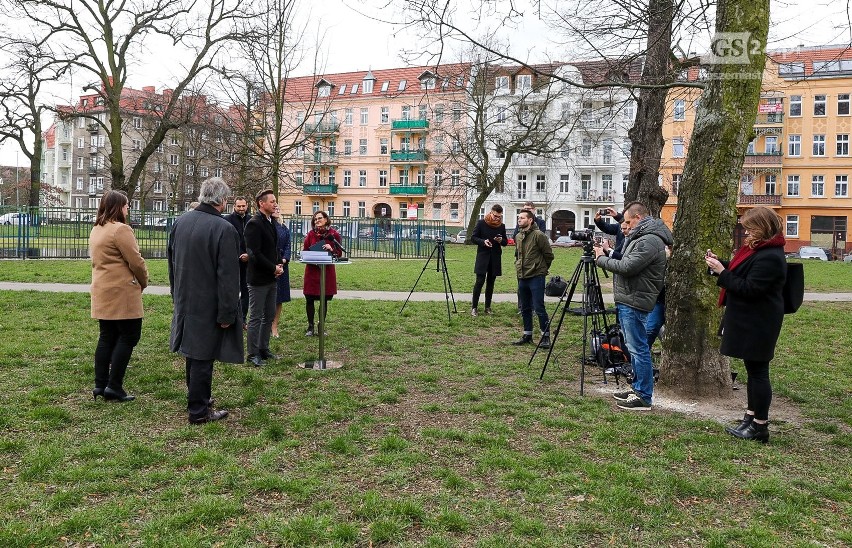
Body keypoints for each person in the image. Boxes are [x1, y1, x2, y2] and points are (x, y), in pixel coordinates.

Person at [706, 206, 786, 443]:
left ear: (764, 228)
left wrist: (722, 272)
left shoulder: (770, 256)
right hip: (750, 319)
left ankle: (760, 426)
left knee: (759, 372)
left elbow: (750, 288)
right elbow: (741, 272)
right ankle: (750, 417)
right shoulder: (757, 250)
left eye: (750, 228)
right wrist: (718, 264)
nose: (746, 232)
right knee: (753, 371)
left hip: (760, 321)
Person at [168, 177, 243, 424]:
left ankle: (198, 397)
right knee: (202, 356)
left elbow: (172, 264)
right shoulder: (224, 229)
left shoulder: (181, 222)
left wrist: (175, 293)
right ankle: (199, 411)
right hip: (208, 302)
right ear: (221, 200)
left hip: (185, 298)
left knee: (193, 352)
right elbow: (228, 277)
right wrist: (227, 314)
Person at [594, 201, 672, 410]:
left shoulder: (649, 240)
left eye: (628, 221)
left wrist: (601, 259)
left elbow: (628, 266)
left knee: (639, 349)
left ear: (638, 218)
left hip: (636, 299)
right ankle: (637, 388)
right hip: (631, 297)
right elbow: (627, 260)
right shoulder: (642, 238)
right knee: (635, 347)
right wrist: (610, 254)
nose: (625, 225)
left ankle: (644, 396)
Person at [89, 190, 148, 402]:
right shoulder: (121, 229)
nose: (128, 208)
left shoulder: (97, 229)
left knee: (107, 337)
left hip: (102, 289)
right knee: (130, 336)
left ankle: (100, 384)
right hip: (122, 292)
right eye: (126, 205)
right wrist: (144, 281)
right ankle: (114, 386)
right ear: (118, 207)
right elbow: (136, 261)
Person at [244, 189, 284, 366]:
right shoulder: (254, 223)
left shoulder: (269, 221)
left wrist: (279, 264)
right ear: (262, 203)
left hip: (271, 278)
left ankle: (263, 348)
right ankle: (252, 354)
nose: (275, 204)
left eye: (275, 201)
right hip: (258, 279)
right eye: (272, 201)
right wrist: (272, 267)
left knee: (269, 315)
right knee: (256, 317)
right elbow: (255, 253)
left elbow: (272, 249)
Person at [512, 209, 554, 348]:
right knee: (525, 308)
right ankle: (527, 334)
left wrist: (541, 269)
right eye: (519, 217)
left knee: (539, 307)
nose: (519, 220)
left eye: (522, 218)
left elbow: (548, 255)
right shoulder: (518, 236)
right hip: (522, 275)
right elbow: (518, 255)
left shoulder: (539, 235)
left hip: (536, 276)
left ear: (530, 220)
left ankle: (545, 337)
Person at [302, 211, 343, 336]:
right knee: (309, 298)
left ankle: (321, 326)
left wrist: (332, 249)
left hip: (326, 271)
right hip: (312, 271)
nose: (317, 221)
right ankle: (310, 326)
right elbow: (305, 251)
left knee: (323, 299)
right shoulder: (310, 234)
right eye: (315, 219)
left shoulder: (333, 234)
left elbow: (339, 253)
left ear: (326, 219)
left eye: (319, 218)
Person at [470, 204, 508, 316]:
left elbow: (505, 242)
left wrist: (501, 240)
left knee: (491, 283)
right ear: (491, 212)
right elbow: (473, 237)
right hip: (483, 256)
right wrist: (483, 242)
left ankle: (487, 307)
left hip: (495, 257)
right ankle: (474, 307)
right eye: (495, 216)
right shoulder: (482, 223)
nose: (497, 218)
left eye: (499, 216)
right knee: (479, 282)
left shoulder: (502, 226)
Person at [224, 196, 250, 325]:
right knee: (232, 290)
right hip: (233, 260)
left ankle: (243, 318)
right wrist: (240, 253)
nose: (241, 208)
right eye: (238, 206)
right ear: (234, 206)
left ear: (247, 205)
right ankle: (231, 316)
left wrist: (249, 254)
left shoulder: (251, 220)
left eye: (243, 206)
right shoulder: (227, 220)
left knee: (246, 291)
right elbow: (229, 240)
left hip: (249, 262)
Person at [271, 205, 291, 338]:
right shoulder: (266, 225)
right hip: (269, 265)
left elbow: (288, 245)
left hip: (282, 266)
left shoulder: (284, 228)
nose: (277, 210)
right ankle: (266, 324)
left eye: (279, 209)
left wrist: (284, 260)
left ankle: (274, 326)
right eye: (275, 208)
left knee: (279, 298)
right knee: (268, 297)